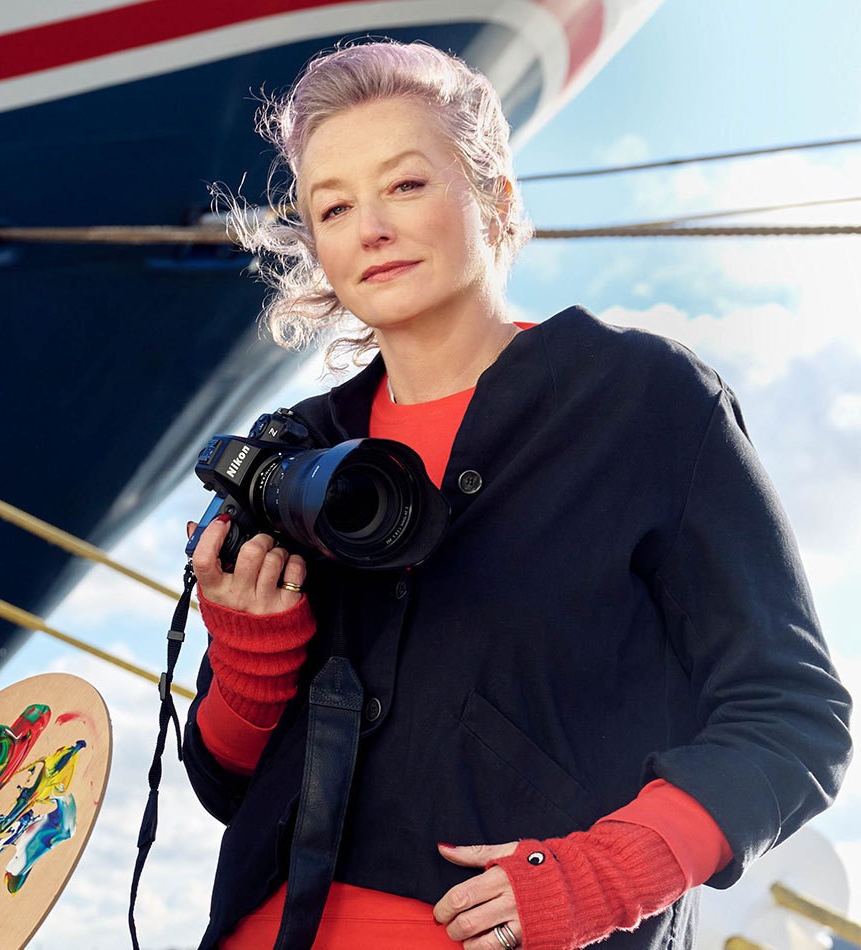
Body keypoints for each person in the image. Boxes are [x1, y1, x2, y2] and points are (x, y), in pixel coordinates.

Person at [176, 40, 849, 950]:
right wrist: (252, 652)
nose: (369, 227)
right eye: (332, 206)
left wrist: (614, 873)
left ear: (495, 198)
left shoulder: (644, 401)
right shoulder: (297, 450)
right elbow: (224, 782)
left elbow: (796, 714)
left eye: (406, 185)